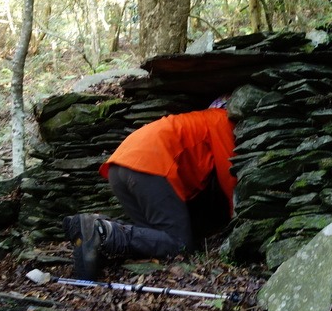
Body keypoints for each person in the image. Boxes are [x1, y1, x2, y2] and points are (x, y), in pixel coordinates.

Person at [63, 103, 236, 280]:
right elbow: (229, 172)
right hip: (149, 166)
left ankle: (95, 230)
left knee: (154, 240)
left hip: (119, 166)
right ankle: (102, 232)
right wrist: (238, 217)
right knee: (179, 245)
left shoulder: (195, 120)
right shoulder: (220, 119)